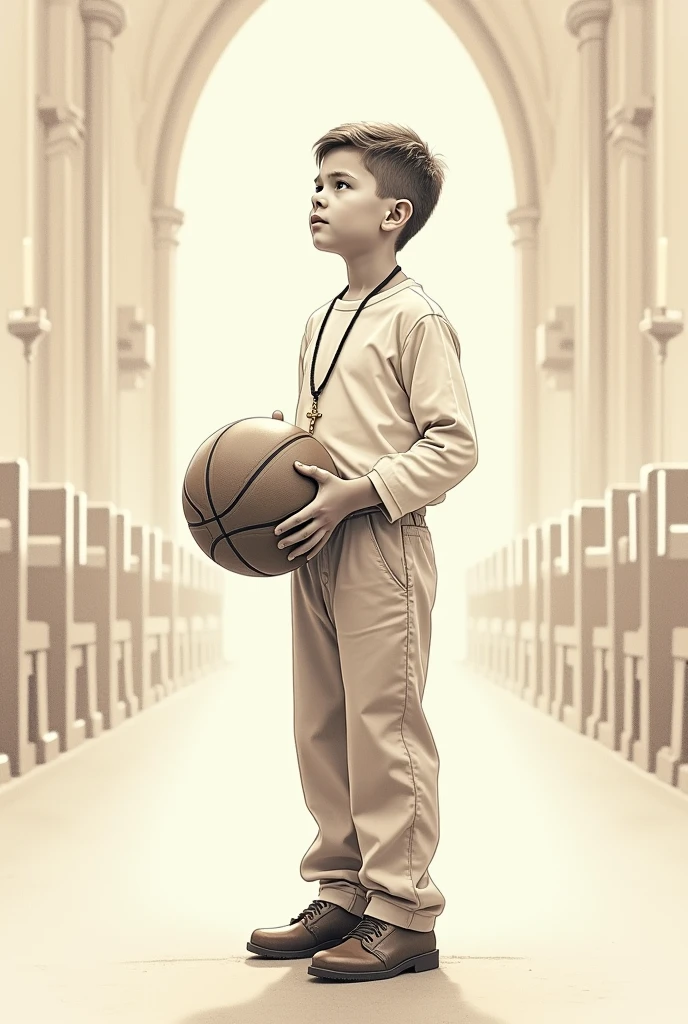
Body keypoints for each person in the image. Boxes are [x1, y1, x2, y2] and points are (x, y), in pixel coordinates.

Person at [247, 122, 479, 983]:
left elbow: (453, 447)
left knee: (385, 727)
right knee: (324, 724)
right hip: (313, 542)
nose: (318, 195)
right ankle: (343, 889)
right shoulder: (320, 319)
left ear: (393, 212)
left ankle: (405, 909)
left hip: (380, 540)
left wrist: (357, 490)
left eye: (340, 184)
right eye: (317, 182)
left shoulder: (416, 317)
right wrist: (274, 461)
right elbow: (316, 432)